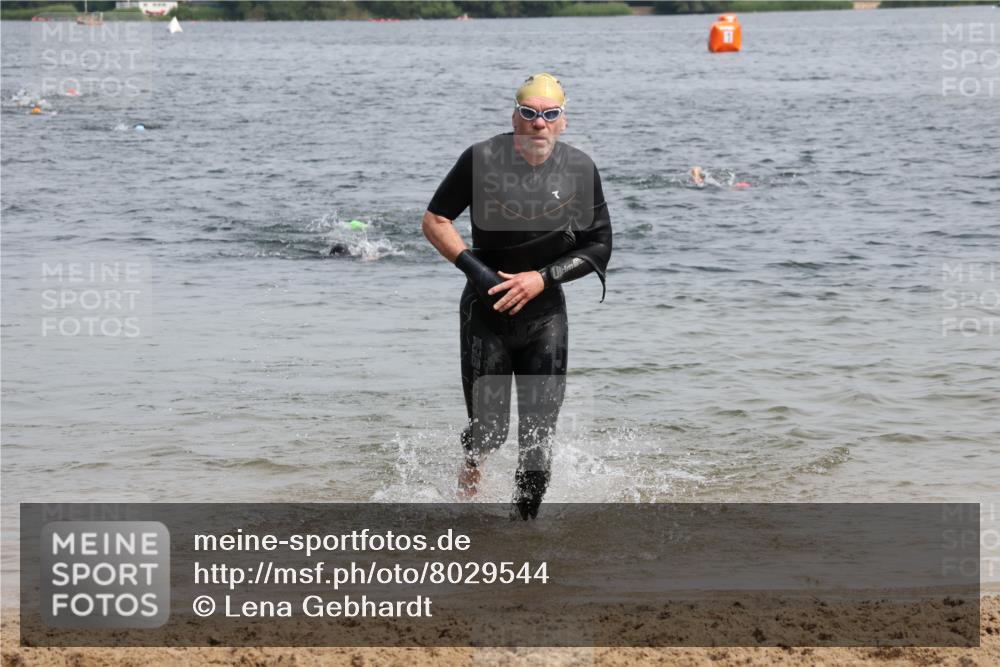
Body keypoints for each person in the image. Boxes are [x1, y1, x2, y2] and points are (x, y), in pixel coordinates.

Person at [421, 73, 613, 520]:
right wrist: (479, 274)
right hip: (486, 313)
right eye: (529, 113)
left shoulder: (580, 170)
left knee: (537, 445)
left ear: (564, 121)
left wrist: (541, 279)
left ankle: (520, 537)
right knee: (489, 433)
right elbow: (434, 220)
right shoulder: (480, 159)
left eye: (550, 114)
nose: (539, 123)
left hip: (545, 317)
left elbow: (599, 246)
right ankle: (472, 467)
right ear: (515, 116)